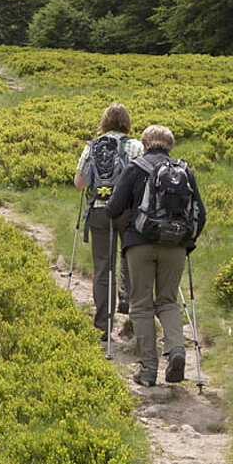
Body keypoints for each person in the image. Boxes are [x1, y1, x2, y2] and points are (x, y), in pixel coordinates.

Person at [105, 124, 206, 386]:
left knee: (141, 305)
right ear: (169, 145)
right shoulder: (185, 171)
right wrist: (187, 240)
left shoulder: (136, 168)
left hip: (140, 245)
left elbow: (113, 208)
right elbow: (200, 214)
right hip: (176, 247)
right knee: (168, 301)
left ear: (145, 143)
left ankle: (148, 369)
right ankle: (176, 350)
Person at [74, 102, 141, 342]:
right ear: (127, 122)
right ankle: (132, 309)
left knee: (103, 268)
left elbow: (79, 182)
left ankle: (103, 325)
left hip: (99, 212)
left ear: (104, 122)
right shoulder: (135, 146)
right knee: (132, 260)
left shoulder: (91, 146)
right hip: (127, 212)